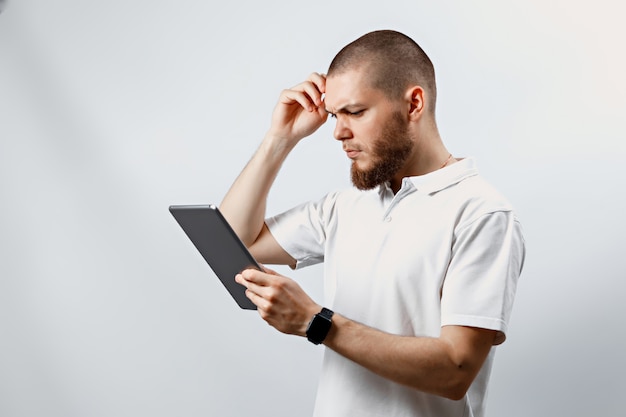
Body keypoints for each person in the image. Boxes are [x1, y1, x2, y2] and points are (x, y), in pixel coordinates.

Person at [220, 29, 525, 417]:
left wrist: (317, 323)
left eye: (355, 112)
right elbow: (230, 243)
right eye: (334, 114)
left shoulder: (481, 213)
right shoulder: (345, 206)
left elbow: (456, 370)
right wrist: (279, 139)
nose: (337, 132)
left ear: (414, 103)